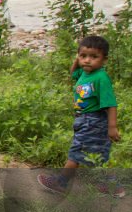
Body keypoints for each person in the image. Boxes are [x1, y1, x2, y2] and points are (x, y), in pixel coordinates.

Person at [38, 35, 123, 197]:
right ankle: (112, 186)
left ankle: (60, 183)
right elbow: (73, 73)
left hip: (94, 120)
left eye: (94, 57)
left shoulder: (101, 78)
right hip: (83, 119)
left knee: (77, 152)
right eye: (83, 56)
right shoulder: (84, 73)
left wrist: (112, 127)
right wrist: (78, 60)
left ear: (104, 59)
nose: (87, 60)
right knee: (95, 154)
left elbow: (110, 104)